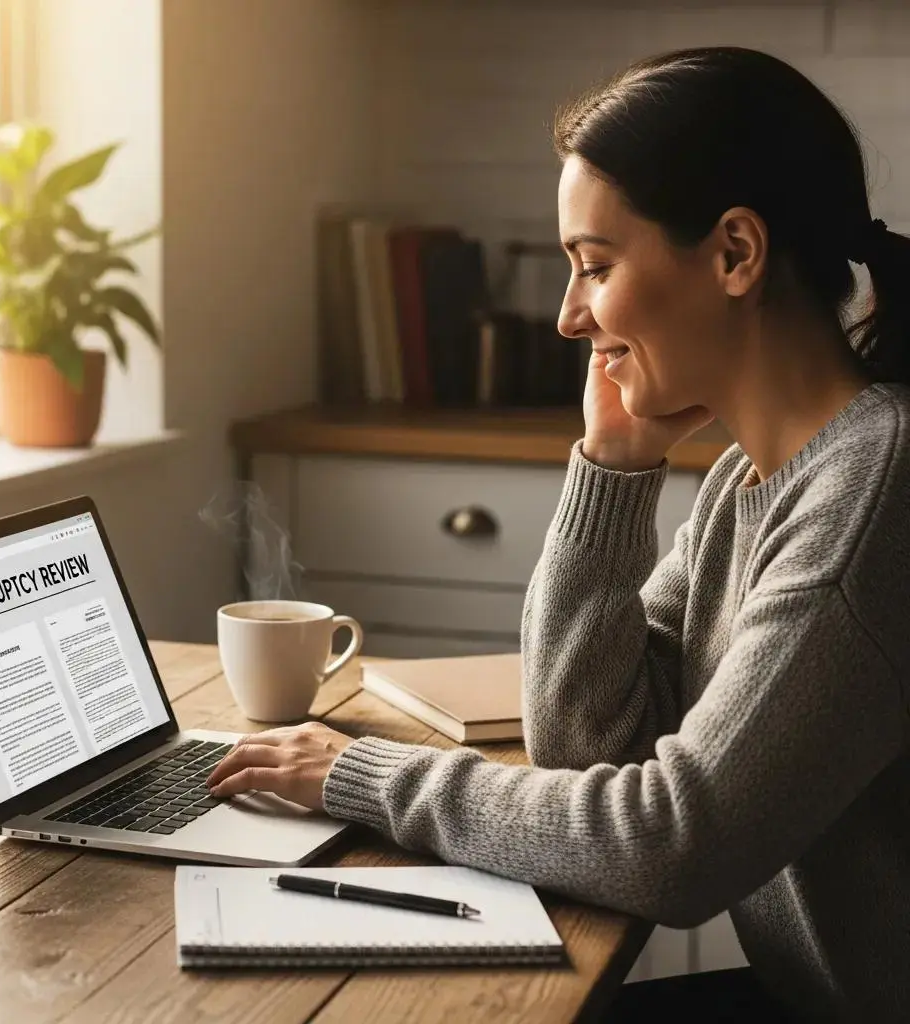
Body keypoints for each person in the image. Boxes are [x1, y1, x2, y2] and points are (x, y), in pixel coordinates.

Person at [205, 47, 910, 1022]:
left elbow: (669, 843)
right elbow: (584, 749)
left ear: (735, 254)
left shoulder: (870, 494)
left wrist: (361, 774)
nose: (571, 318)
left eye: (596, 266)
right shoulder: (750, 485)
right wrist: (612, 467)